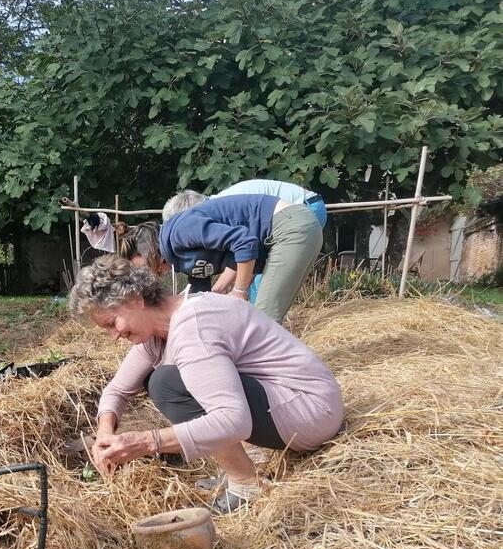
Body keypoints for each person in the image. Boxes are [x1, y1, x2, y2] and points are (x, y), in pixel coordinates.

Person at [70, 255, 343, 513]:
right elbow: (117, 390)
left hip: (310, 411)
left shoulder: (193, 326)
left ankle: (246, 485)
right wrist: (105, 430)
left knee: (167, 384)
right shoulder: (158, 330)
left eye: (111, 323)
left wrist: (145, 442)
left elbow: (234, 421)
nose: (113, 336)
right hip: (296, 402)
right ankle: (238, 469)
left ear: (134, 299)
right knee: (170, 380)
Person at [157, 189, 322, 322]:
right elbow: (240, 256)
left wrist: (238, 291)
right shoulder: (203, 220)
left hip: (290, 224)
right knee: (258, 317)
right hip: (287, 225)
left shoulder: (186, 226)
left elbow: (245, 245)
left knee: (263, 322)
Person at [209, 179, 326, 301]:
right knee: (251, 281)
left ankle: (262, 318)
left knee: (264, 282)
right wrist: (221, 289)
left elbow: (250, 253)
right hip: (294, 210)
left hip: (305, 208)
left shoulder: (222, 211)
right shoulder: (217, 207)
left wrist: (220, 290)